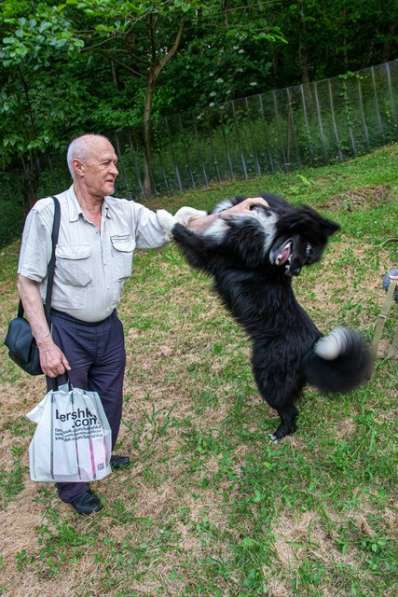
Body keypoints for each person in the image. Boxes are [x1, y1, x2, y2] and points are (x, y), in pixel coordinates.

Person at [17, 133, 267, 515]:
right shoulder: (48, 214)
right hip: (65, 329)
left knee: (108, 400)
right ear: (78, 168)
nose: (115, 170)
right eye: (106, 163)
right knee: (71, 409)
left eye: (116, 162)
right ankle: (73, 487)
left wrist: (232, 214)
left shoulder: (124, 212)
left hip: (109, 329)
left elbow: (180, 226)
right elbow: (28, 281)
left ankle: (99, 455)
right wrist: (47, 343)